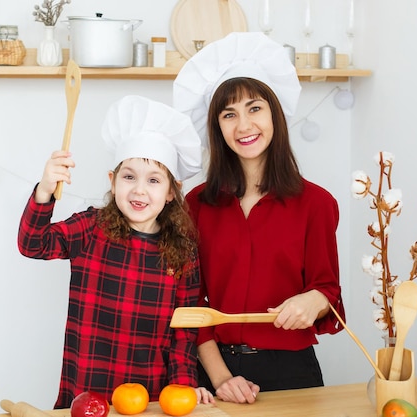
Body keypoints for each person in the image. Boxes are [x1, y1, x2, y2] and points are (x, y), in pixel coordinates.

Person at [173, 32, 345, 404]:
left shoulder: (316, 203)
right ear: (217, 127)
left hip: (292, 371)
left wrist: (311, 301)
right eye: (229, 114)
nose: (244, 125)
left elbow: (327, 289)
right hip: (212, 374)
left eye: (254, 108)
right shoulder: (197, 204)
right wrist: (222, 379)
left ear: (274, 114)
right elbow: (189, 303)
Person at [18, 95, 215, 407]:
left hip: (149, 399)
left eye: (153, 180)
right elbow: (33, 244)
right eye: (128, 177)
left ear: (170, 193)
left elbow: (184, 333)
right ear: (112, 182)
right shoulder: (90, 229)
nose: (138, 189)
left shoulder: (184, 253)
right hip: (86, 392)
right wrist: (44, 190)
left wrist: (183, 387)